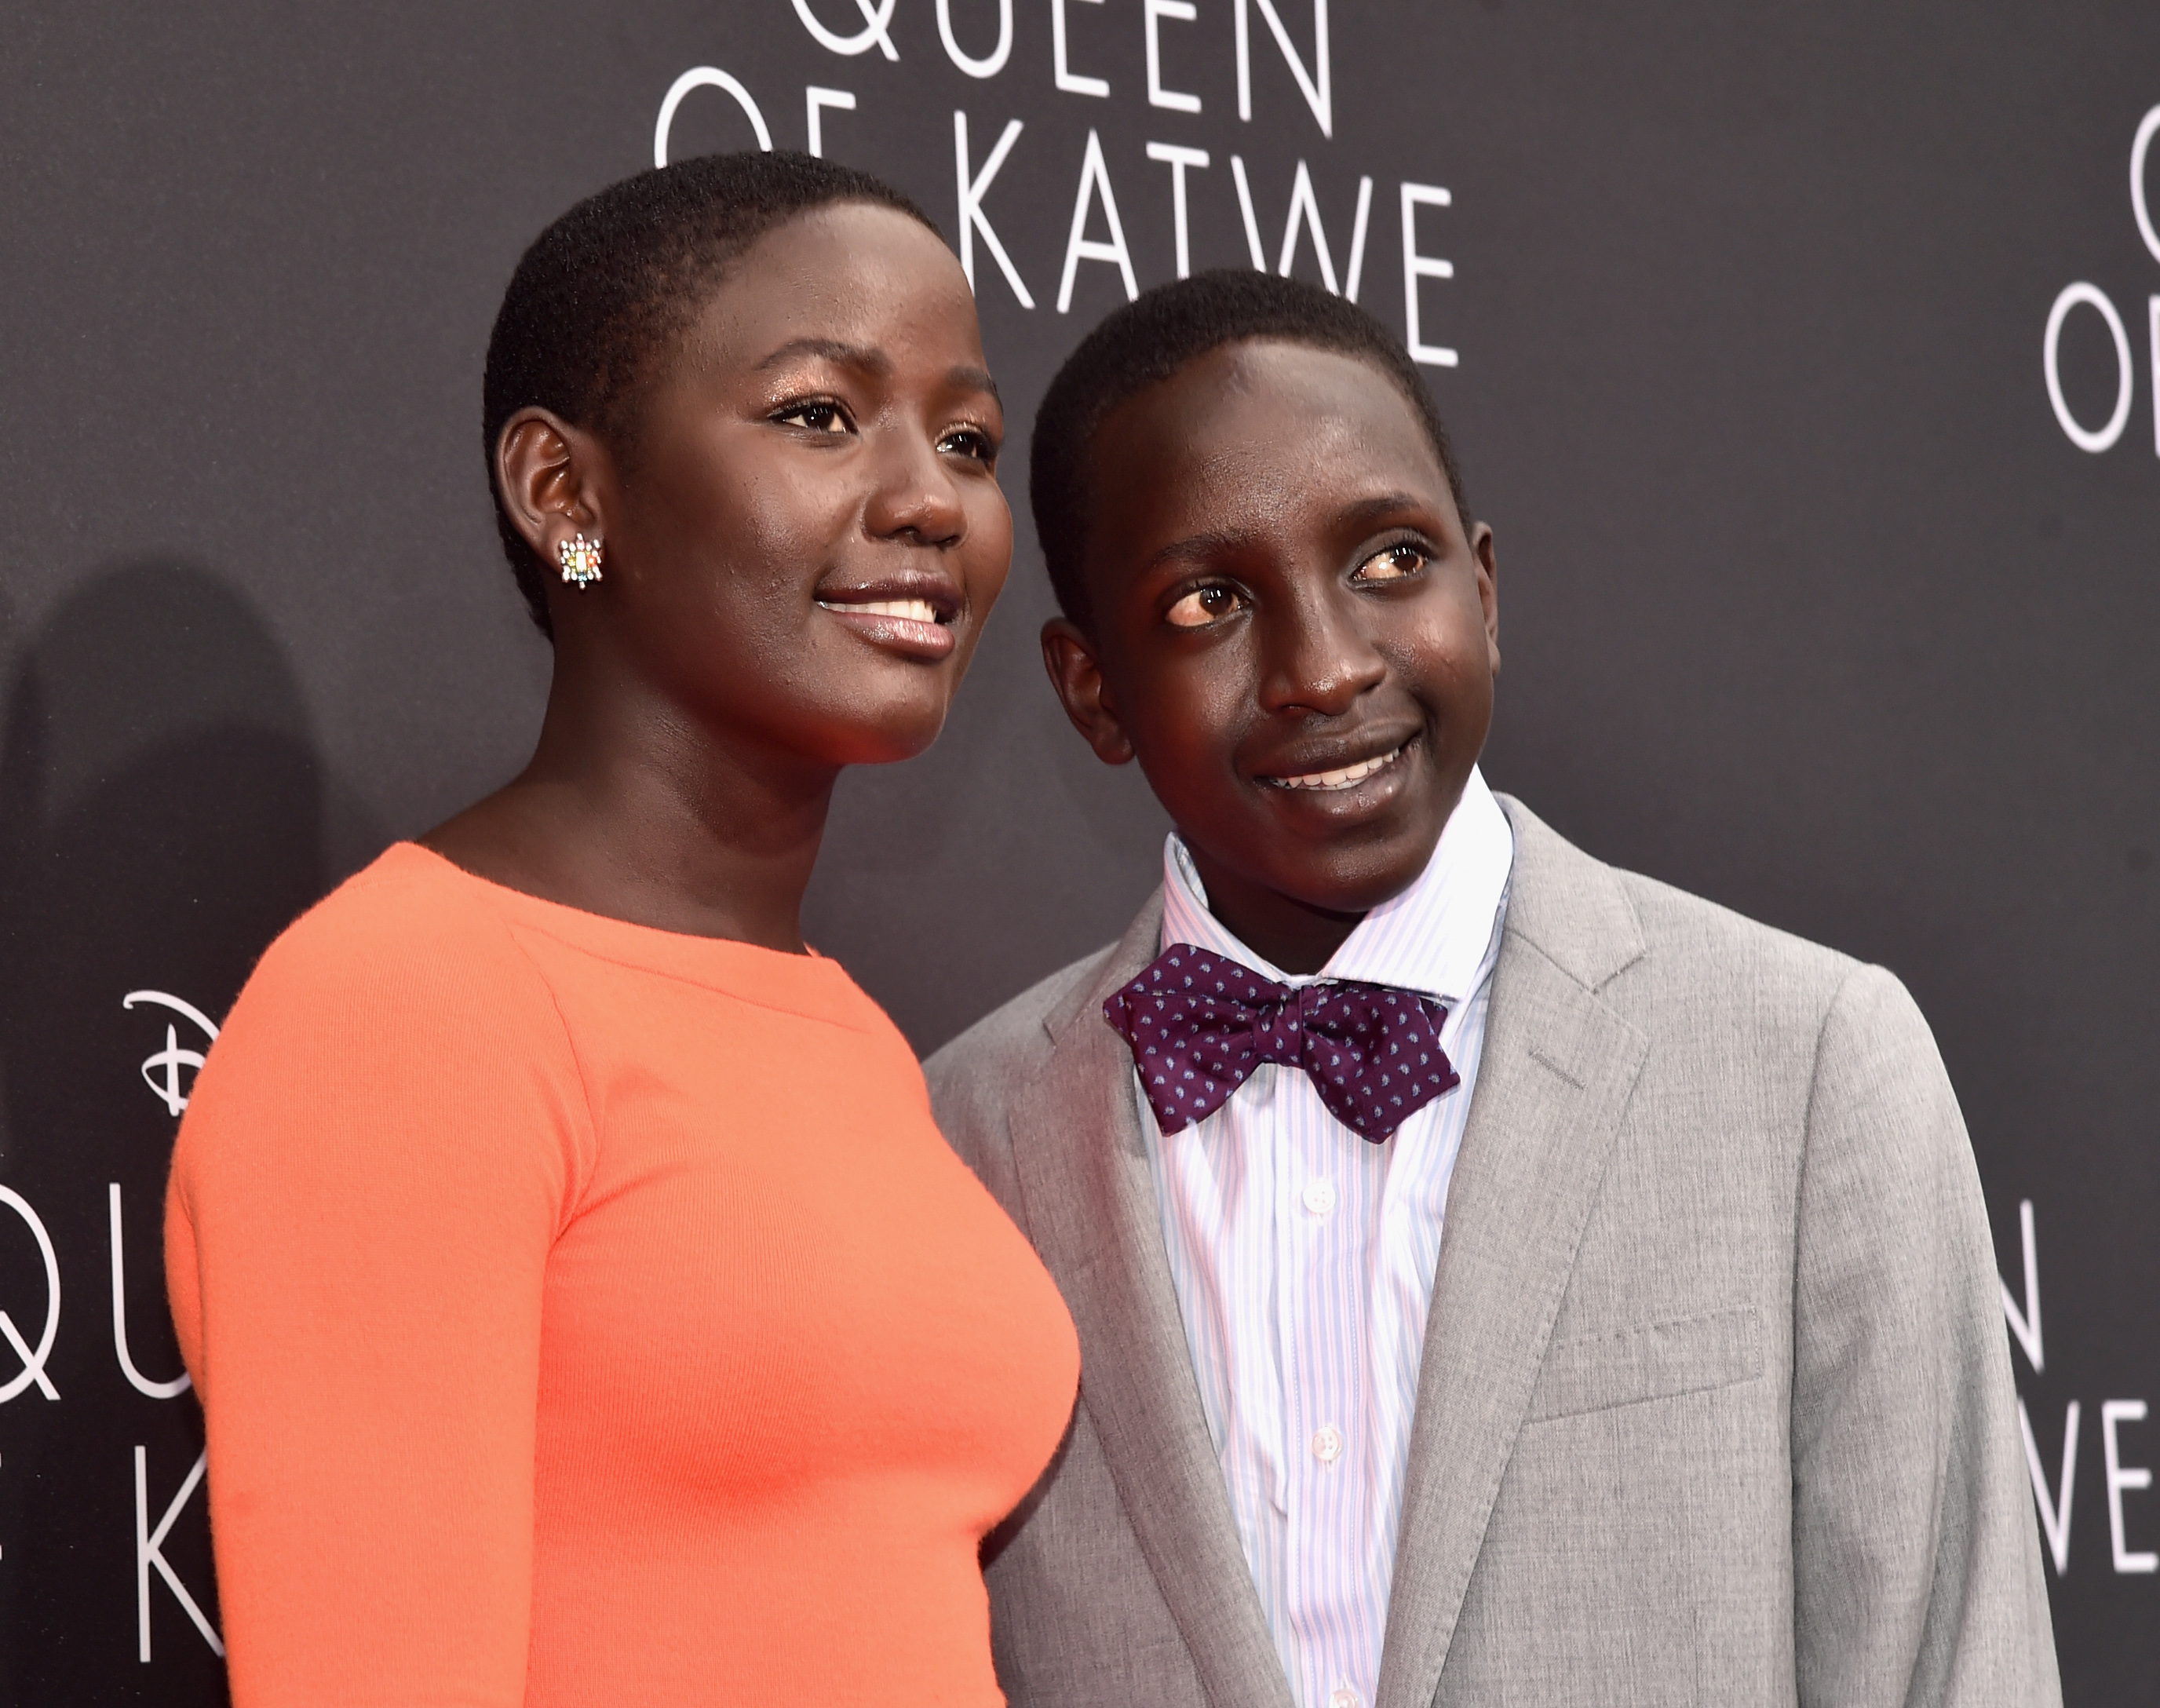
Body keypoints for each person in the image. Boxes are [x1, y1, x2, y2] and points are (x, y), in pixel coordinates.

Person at [926, 272, 2058, 1708]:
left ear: (1486, 588)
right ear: (1092, 690)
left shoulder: (1813, 1065)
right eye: (1212, 600)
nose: (1328, 669)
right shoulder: (958, 1140)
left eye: (1391, 561)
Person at [166, 151, 1078, 1708]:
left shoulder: (850, 1032)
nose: (931, 496)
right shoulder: (407, 999)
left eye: (967, 437)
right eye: (818, 414)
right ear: (565, 494)